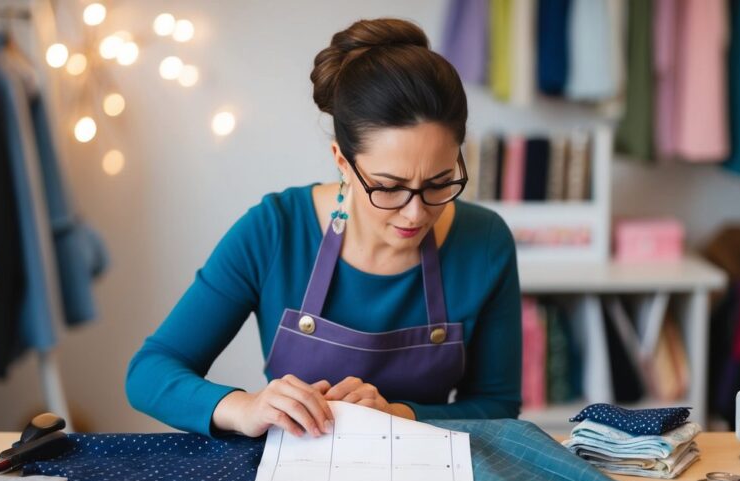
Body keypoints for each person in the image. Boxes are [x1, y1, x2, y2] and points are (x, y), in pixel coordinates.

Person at [126, 18, 522, 439]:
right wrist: (244, 407)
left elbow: (497, 405)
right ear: (342, 161)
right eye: (388, 188)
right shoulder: (276, 230)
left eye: (440, 183)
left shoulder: (485, 242)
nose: (415, 213)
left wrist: (400, 415)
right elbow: (150, 371)